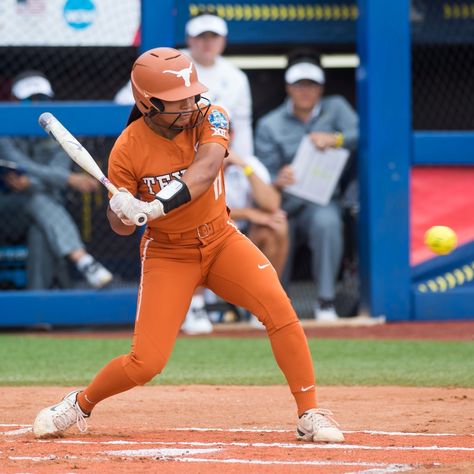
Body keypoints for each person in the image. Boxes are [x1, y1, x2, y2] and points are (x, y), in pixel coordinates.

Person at [32, 47, 344, 444]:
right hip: (168, 253)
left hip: (220, 239)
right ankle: (80, 403)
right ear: (148, 104)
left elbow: (206, 169)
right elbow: (122, 229)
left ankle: (309, 413)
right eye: (178, 101)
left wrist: (156, 204)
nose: (189, 105)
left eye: (191, 94)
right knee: (146, 364)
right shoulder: (127, 150)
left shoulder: (210, 115)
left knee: (280, 311)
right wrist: (122, 210)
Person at [255, 50, 359, 322]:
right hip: (285, 202)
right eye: (299, 85)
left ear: (321, 88)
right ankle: (274, 304)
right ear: (288, 88)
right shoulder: (270, 124)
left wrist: (334, 139)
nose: (305, 91)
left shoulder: (335, 107)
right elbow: (262, 175)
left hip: (320, 201)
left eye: (311, 85)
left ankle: (325, 302)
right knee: (274, 226)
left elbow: (362, 133)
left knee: (328, 222)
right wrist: (279, 178)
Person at [0, 71, 113, 289]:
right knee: (36, 200)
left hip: (41, 208)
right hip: (7, 208)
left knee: (39, 227)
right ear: (14, 102)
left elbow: (51, 172)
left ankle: (37, 305)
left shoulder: (59, 131)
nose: (36, 106)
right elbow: (19, 164)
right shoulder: (4, 131)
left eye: (42, 100)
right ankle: (83, 260)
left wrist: (32, 182)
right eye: (29, 100)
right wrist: (70, 179)